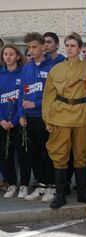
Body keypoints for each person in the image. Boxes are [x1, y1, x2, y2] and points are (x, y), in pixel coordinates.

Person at [42, 32, 86, 209]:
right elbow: (48, 96)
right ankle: (60, 194)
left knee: (82, 154)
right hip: (60, 114)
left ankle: (82, 192)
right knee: (59, 154)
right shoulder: (56, 69)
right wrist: (47, 120)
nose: (70, 48)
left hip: (81, 114)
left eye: (73, 45)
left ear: (79, 48)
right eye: (68, 45)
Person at [16, 32, 56, 203]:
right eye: (29, 47)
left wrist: (36, 104)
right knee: (34, 154)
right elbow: (21, 94)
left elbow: (55, 94)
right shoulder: (26, 68)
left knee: (48, 152)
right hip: (29, 118)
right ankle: (41, 185)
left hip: (45, 117)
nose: (31, 50)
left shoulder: (52, 66)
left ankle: (53, 187)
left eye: (34, 47)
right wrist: (21, 114)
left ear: (43, 47)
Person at [0, 44, 29, 198]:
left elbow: (24, 97)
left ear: (18, 56)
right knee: (5, 155)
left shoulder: (24, 73)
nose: (8, 57)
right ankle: (11, 184)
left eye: (11, 54)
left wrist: (18, 118)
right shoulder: (0, 74)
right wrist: (1, 120)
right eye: (5, 54)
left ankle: (24, 184)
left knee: (22, 154)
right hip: (3, 123)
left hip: (19, 121)